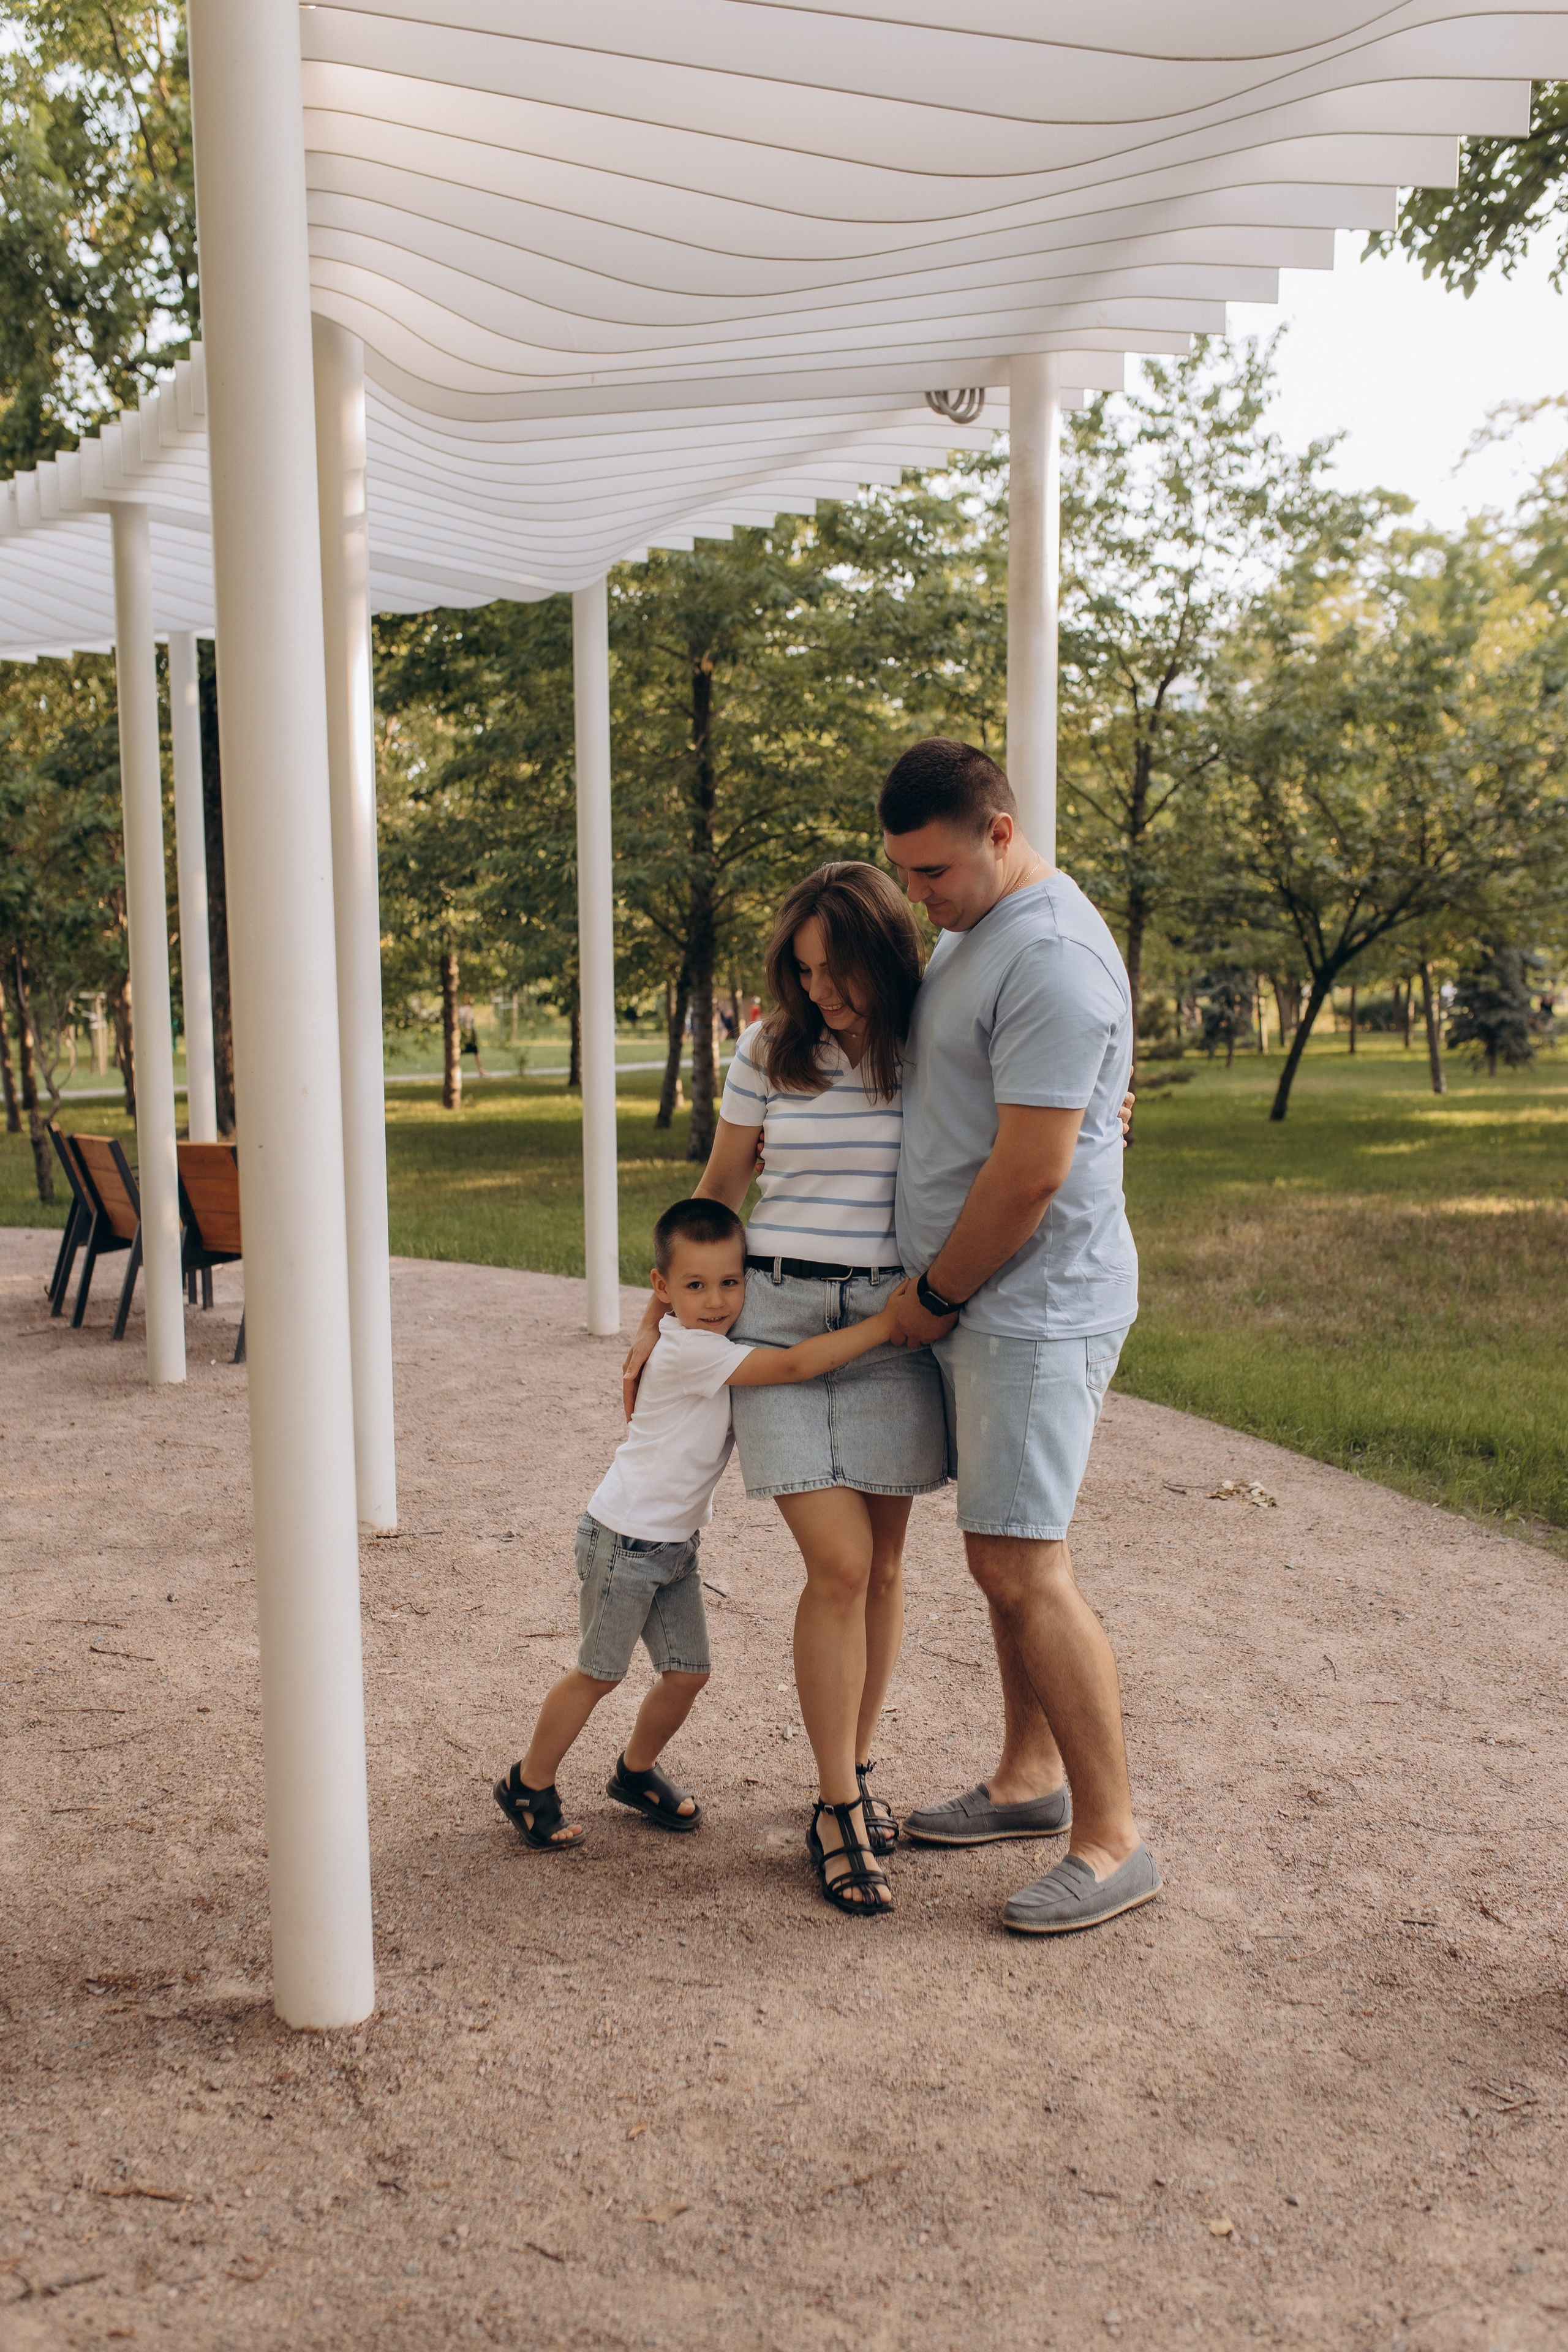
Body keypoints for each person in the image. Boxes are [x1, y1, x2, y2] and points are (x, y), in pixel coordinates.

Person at [622, 864, 948, 1915]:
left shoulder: (932, 1040)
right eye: (803, 973)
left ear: (886, 957)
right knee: (840, 1564)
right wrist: (654, 1312)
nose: (821, 994)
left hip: (890, 1324)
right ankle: (834, 1805)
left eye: (838, 972)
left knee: (887, 1567)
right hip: (774, 1320)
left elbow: (1032, 1107)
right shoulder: (768, 1050)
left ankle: (849, 1775)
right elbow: (718, 1193)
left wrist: (1107, 1121)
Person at [878, 737, 1161, 1936]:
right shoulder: (977, 923)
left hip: (1025, 1302)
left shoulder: (1045, 955)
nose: (916, 898)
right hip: (990, 1298)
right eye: (902, 873)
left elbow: (1032, 1170)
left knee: (1018, 1561)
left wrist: (935, 1294)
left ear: (999, 831)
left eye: (931, 872)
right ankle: (1024, 1782)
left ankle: (1109, 1839)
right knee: (1000, 1550)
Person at [496, 1194, 911, 1900]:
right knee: (599, 1674)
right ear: (661, 1289)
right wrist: (886, 1325)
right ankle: (528, 1784)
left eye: (729, 1282)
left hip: (670, 1547)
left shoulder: (705, 1338)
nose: (716, 1301)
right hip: (624, 1541)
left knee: (687, 1674)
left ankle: (633, 1772)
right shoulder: (688, 1349)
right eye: (694, 1286)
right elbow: (791, 1367)